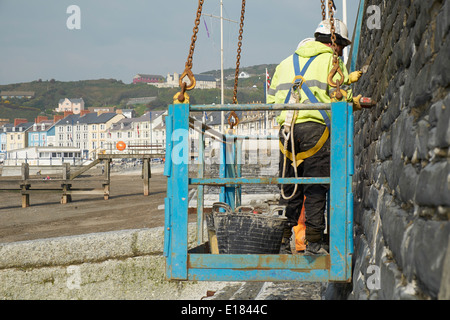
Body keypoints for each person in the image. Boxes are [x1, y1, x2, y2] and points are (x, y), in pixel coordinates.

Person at [267, 19, 363, 255]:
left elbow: (272, 102)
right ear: (336, 43)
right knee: (316, 187)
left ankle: (281, 241)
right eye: (341, 46)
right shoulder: (333, 61)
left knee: (290, 187)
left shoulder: (285, 63)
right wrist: (355, 101)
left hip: (287, 132)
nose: (340, 50)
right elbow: (341, 97)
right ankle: (314, 244)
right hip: (315, 130)